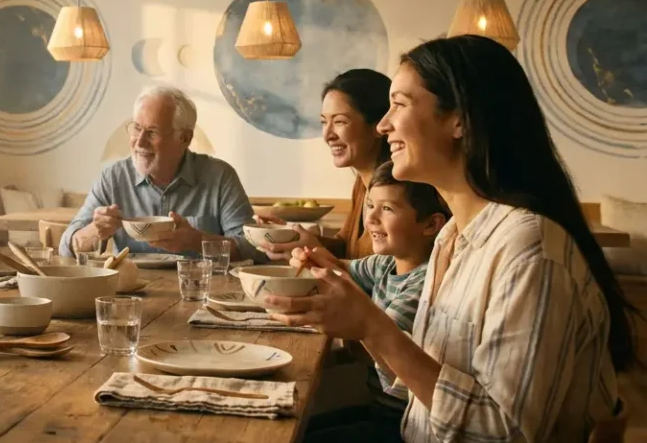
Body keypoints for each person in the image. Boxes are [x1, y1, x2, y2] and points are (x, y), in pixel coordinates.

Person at [268, 35, 633, 442]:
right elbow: (417, 384)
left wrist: (373, 327)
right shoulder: (450, 240)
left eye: (400, 105)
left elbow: (502, 433)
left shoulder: (529, 250)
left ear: (459, 120)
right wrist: (347, 301)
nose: (384, 124)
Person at [292, 161, 449, 441]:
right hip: (377, 406)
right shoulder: (385, 264)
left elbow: (378, 349)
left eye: (387, 208)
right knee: (300, 428)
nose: (371, 219)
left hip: (402, 422)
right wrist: (309, 254)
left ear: (431, 224)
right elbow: (338, 269)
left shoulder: (422, 283)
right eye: (370, 205)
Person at [60, 85, 256, 261]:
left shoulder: (220, 177)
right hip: (131, 294)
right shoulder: (113, 179)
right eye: (137, 128)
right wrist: (95, 230)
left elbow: (253, 248)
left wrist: (197, 241)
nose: (139, 142)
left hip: (201, 292)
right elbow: (66, 248)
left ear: (185, 138)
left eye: (152, 132)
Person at [257, 69, 390, 261]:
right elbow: (345, 247)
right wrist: (291, 235)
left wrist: (312, 249)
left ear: (379, 125)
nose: (328, 135)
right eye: (323, 122)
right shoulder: (362, 183)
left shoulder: (396, 192)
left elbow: (380, 273)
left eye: (340, 122)